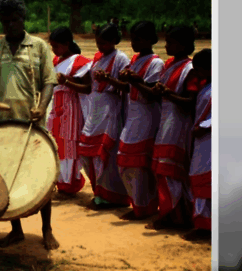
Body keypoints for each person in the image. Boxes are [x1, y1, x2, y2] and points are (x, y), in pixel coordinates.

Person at [0, 0, 59, 250]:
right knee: (7, 177)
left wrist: (41, 107)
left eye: (15, 20)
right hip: (2, 124)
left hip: (32, 124)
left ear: (23, 19)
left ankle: (47, 229)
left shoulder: (39, 47)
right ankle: (16, 230)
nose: (10, 25)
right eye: (5, 21)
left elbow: (48, 81)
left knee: (42, 174)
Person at [146, 26, 198, 230]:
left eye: (171, 42)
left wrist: (167, 93)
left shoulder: (190, 69)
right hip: (166, 120)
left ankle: (177, 215)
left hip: (178, 123)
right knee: (162, 169)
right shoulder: (169, 65)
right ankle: (169, 212)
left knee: (172, 171)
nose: (166, 46)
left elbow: (190, 101)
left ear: (183, 45)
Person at [76, 24, 130, 210]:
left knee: (103, 153)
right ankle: (98, 190)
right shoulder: (98, 58)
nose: (101, 47)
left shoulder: (121, 58)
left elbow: (126, 87)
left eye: (105, 43)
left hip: (109, 106)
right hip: (95, 106)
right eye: (98, 42)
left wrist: (109, 80)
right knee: (85, 151)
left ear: (115, 41)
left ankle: (108, 196)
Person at [116, 21, 165, 220]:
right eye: (132, 38)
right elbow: (130, 88)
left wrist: (134, 80)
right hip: (133, 113)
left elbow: (153, 93)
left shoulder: (156, 63)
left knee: (138, 163)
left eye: (137, 39)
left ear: (148, 40)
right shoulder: (135, 59)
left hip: (147, 114)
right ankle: (139, 203)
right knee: (127, 162)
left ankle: (144, 206)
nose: (133, 43)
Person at [45, 27, 92, 196]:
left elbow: (87, 88)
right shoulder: (57, 61)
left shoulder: (80, 62)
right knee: (57, 144)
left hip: (71, 107)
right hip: (57, 106)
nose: (54, 50)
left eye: (56, 46)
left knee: (69, 145)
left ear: (67, 44)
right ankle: (60, 181)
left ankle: (70, 182)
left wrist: (67, 82)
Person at [182, 48, 211, 241]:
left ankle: (206, 226)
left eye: (199, 71)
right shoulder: (206, 88)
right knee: (197, 178)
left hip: (210, 140)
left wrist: (205, 126)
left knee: (205, 179)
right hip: (201, 139)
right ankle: (201, 222)